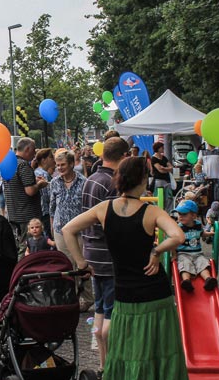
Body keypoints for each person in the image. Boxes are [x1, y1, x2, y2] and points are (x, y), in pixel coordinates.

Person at [63, 157, 188, 379]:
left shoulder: (104, 209)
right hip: (155, 294)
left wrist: (81, 263)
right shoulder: (151, 211)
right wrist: (156, 252)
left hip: (123, 294)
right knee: (159, 351)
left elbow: (68, 230)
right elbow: (178, 236)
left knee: (127, 351)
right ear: (142, 180)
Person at [79, 136, 129, 369]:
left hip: (91, 252)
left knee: (100, 309)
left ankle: (103, 364)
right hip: (107, 254)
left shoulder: (91, 179)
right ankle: (112, 363)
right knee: (111, 311)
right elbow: (114, 222)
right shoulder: (112, 184)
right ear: (123, 157)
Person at [4, 138, 49, 254]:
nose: (34, 155)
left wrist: (32, 180)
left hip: (14, 213)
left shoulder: (8, 164)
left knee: (20, 245)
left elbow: (16, 186)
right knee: (27, 248)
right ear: (28, 149)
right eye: (34, 151)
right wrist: (40, 184)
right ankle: (23, 270)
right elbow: (30, 191)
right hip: (27, 215)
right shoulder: (23, 165)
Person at [49, 150, 86, 262]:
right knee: (65, 263)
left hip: (79, 231)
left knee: (81, 263)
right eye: (58, 165)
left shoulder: (83, 182)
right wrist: (52, 227)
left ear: (71, 164)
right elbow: (52, 207)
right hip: (60, 230)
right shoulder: (54, 182)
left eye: (63, 164)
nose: (59, 168)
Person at [173, 200, 217, 292]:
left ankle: (208, 279)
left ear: (193, 216)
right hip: (183, 253)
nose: (180, 216)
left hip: (198, 253)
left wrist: (210, 234)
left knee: (203, 264)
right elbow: (173, 241)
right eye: (179, 214)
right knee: (185, 265)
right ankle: (186, 281)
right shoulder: (178, 227)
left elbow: (202, 234)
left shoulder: (198, 225)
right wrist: (174, 255)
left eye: (184, 214)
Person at [33, 148, 55, 238]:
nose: (53, 159)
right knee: (48, 235)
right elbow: (48, 196)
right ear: (43, 160)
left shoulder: (37, 172)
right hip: (45, 211)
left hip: (41, 210)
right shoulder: (43, 174)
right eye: (51, 157)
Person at [151, 142, 173, 212]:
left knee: (169, 197)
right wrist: (167, 169)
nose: (163, 149)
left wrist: (164, 168)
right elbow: (160, 170)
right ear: (158, 148)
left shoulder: (164, 157)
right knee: (159, 198)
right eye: (162, 147)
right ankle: (159, 212)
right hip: (159, 180)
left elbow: (171, 167)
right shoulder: (154, 158)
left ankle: (169, 212)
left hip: (167, 180)